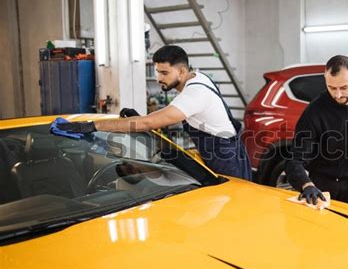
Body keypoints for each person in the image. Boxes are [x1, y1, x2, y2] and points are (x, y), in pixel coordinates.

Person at [56, 45, 252, 180]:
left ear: (182, 71)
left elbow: (149, 124)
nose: (159, 78)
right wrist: (141, 118)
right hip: (225, 152)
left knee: (234, 207)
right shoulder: (198, 77)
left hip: (227, 160)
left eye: (164, 73)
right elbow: (153, 120)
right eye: (158, 72)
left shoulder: (195, 94)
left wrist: (92, 125)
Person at [285, 55, 348, 208]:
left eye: (344, 87)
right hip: (322, 185)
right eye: (332, 88)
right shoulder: (315, 111)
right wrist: (306, 185)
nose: (337, 94)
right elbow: (295, 159)